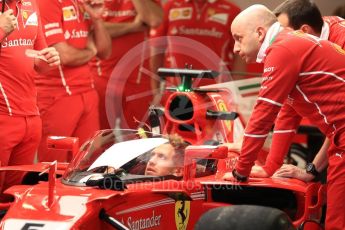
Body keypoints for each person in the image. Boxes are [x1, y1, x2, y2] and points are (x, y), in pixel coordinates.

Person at [223, 4, 345, 230]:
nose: (236, 49)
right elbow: (286, 114)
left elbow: (263, 114)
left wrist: (241, 172)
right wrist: (270, 167)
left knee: (337, 224)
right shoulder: (292, 42)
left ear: (260, 33)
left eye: (239, 38)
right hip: (339, 137)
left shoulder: (283, 49)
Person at [262, 0, 345, 182]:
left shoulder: (340, 40)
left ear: (304, 31)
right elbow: (289, 110)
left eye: (282, 33)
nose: (277, 40)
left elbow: (341, 124)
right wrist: (271, 166)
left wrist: (311, 169)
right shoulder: (312, 32)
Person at [36, 0, 112, 162]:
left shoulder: (83, 3)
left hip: (88, 93)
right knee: (54, 167)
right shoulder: (47, 3)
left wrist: (97, 19)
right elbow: (64, 55)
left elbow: (105, 51)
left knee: (88, 165)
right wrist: (91, 52)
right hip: (58, 96)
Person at [0, 0, 60, 197]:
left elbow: (37, 60)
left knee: (15, 198)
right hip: (3, 119)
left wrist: (48, 58)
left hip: (30, 119)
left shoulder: (31, 4)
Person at [89, 0, 163, 129]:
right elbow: (91, 29)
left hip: (138, 82)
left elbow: (155, 20)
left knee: (142, 142)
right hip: (102, 79)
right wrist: (132, 27)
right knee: (101, 139)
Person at [149, 0, 245, 96]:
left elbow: (240, 56)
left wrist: (235, 93)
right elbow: (157, 51)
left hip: (216, 95)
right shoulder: (171, 7)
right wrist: (155, 92)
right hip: (175, 93)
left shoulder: (232, 11)